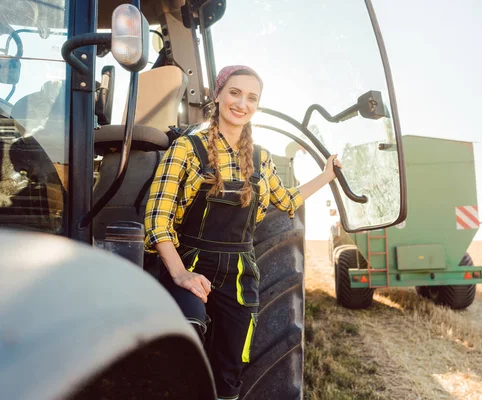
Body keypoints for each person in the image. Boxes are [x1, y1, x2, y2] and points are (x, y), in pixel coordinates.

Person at [144, 65, 341, 400]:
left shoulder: (261, 158)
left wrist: (326, 176)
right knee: (187, 350)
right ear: (217, 95)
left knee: (231, 368)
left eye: (252, 98)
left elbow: (287, 200)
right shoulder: (187, 149)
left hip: (239, 274)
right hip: (191, 264)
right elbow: (157, 220)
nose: (242, 103)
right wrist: (181, 275)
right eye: (235, 93)